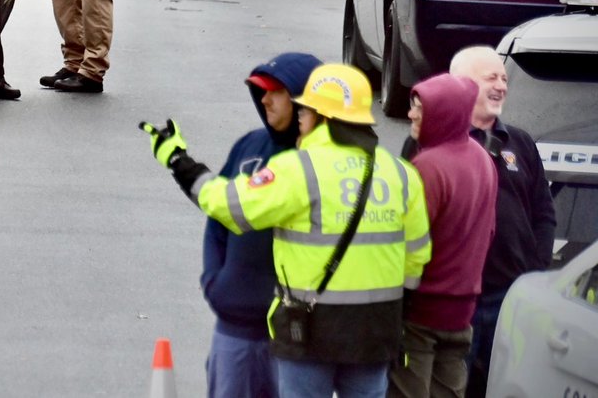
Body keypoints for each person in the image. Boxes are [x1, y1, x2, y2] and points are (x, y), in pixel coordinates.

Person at [142, 64, 431, 398]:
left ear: (322, 116)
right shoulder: (401, 174)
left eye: (305, 110)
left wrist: (179, 161)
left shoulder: (299, 169)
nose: (300, 118)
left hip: (309, 333)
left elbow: (228, 204)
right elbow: (416, 257)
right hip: (375, 334)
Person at [201, 52, 322, 398]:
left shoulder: (320, 161)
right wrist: (216, 282)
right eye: (260, 91)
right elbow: (218, 219)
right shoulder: (249, 146)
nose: (264, 99)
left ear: (301, 99)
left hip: (296, 337)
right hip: (234, 328)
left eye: (274, 91)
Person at [448, 46, 555, 398]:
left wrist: (534, 273)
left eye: (504, 78)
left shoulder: (520, 143)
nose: (501, 86)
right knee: (450, 387)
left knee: (507, 388)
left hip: (512, 298)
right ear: (462, 85)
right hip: (458, 301)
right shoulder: (439, 143)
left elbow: (543, 214)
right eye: (490, 77)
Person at [389, 73, 497, 398]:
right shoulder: (482, 158)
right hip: (462, 314)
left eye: (420, 108)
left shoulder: (428, 167)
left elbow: (407, 240)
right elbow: (489, 231)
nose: (411, 114)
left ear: (444, 112)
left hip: (421, 315)